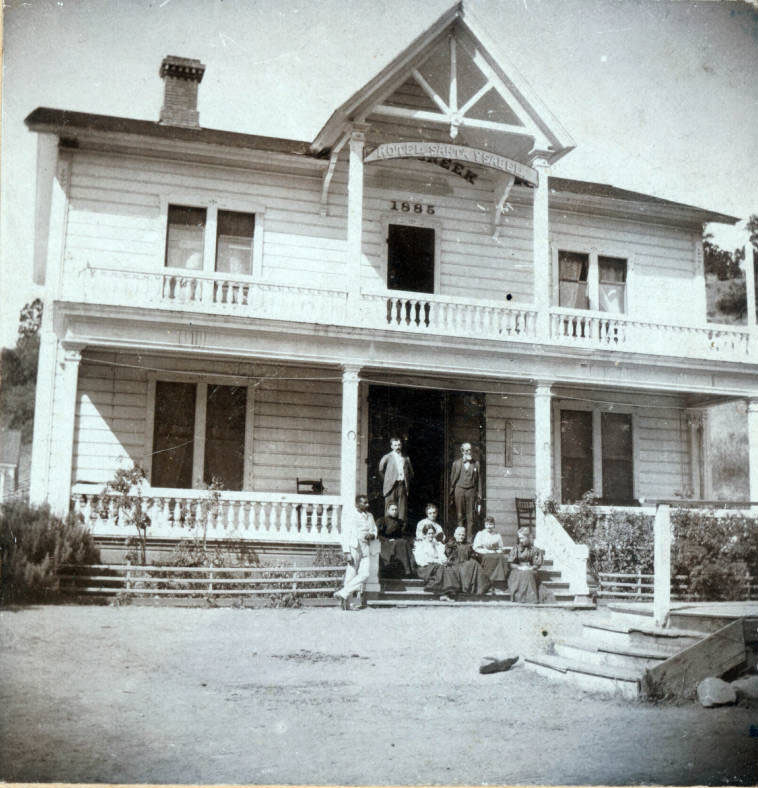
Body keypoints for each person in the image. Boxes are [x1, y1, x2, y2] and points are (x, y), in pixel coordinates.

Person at [333, 494, 380, 610]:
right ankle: (346, 605)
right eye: (365, 503)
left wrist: (372, 535)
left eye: (367, 502)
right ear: (357, 504)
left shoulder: (369, 516)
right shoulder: (351, 516)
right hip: (354, 546)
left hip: (366, 546)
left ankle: (343, 592)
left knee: (365, 574)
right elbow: (345, 534)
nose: (367, 505)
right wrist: (347, 552)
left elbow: (374, 530)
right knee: (351, 573)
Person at [413, 523, 460, 599]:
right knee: (441, 569)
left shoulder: (438, 545)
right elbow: (420, 560)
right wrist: (435, 561)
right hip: (425, 568)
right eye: (429, 533)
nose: (431, 535)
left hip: (436, 566)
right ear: (425, 534)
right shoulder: (421, 545)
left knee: (447, 568)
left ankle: (448, 592)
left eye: (432, 533)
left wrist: (442, 561)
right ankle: (443, 593)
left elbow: (442, 557)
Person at [449, 442, 482, 541]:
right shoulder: (456, 463)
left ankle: (469, 539)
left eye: (470, 450)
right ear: (462, 451)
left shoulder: (476, 464)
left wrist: (479, 494)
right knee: (459, 515)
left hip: (471, 491)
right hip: (459, 490)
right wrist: (451, 492)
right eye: (467, 450)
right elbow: (452, 480)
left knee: (470, 516)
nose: (469, 452)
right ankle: (460, 539)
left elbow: (479, 480)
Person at [445, 526, 491, 595]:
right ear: (455, 535)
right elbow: (448, 555)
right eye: (459, 535)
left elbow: (472, 554)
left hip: (466, 562)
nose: (461, 537)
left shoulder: (467, 544)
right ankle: (465, 588)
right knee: (466, 567)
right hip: (455, 563)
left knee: (474, 564)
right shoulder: (451, 544)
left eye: (462, 535)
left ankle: (480, 588)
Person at [378, 437, 413, 522]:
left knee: (402, 508)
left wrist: (406, 481)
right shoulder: (387, 457)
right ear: (391, 446)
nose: (397, 447)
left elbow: (411, 472)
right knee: (390, 507)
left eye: (399, 445)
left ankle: (401, 530)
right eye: (395, 445)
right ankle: (388, 530)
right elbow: (380, 470)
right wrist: (387, 481)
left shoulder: (405, 458)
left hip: (402, 485)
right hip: (391, 486)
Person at [376, 502, 415, 577]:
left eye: (396, 510)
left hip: (397, 542)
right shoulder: (382, 520)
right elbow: (377, 534)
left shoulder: (400, 522)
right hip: (385, 543)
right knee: (401, 543)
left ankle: (408, 570)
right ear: (388, 510)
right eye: (392, 509)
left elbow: (403, 534)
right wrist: (387, 540)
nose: (394, 511)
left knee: (404, 542)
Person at [507, 526, 544, 603]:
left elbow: (537, 565)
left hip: (530, 569)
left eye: (522, 538)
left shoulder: (535, 550)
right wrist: (520, 567)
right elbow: (511, 563)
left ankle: (531, 598)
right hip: (518, 569)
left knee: (528, 574)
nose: (521, 540)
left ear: (528, 538)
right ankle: (520, 598)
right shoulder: (516, 549)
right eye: (520, 538)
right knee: (521, 574)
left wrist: (530, 568)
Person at [472, 515, 510, 586]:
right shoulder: (480, 534)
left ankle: (499, 581)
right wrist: (487, 551)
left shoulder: (497, 535)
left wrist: (497, 551)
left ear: (494, 525)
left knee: (501, 558)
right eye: (487, 524)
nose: (489, 526)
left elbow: (501, 548)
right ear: (484, 525)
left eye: (491, 524)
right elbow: (476, 548)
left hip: (495, 553)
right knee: (490, 558)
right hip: (483, 554)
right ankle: (488, 580)